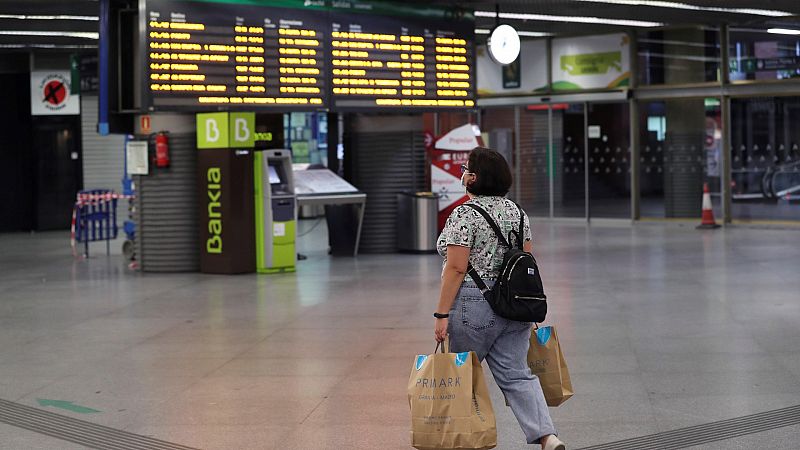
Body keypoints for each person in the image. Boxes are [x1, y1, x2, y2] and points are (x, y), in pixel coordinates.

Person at [434, 147, 565, 450]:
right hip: (514, 302)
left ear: (474, 177)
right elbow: (525, 261)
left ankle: (464, 439)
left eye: (465, 168)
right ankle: (547, 436)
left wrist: (441, 314)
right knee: (517, 375)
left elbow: (455, 268)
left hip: (473, 303)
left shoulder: (464, 214)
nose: (462, 173)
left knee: (462, 375)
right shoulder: (517, 213)